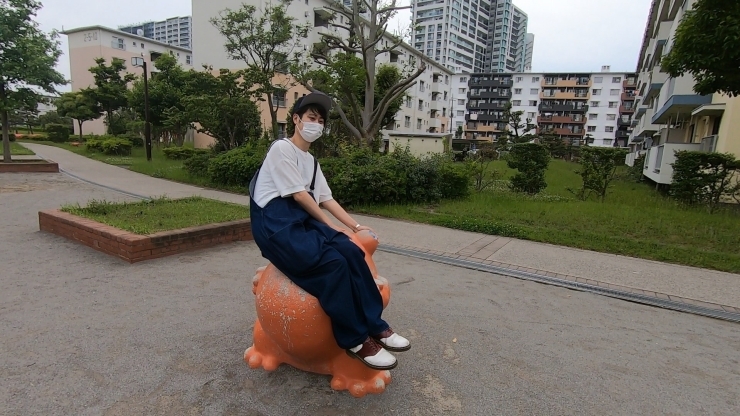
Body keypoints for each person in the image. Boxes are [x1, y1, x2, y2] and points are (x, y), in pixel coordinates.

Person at [248, 91, 410, 370]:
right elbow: (300, 196)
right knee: (333, 265)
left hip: (302, 222)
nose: (317, 124)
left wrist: (355, 226)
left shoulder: (312, 163)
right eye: (312, 117)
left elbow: (325, 199)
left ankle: (377, 326)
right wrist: (331, 226)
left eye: (321, 120)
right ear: (296, 119)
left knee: (351, 251)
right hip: (275, 227)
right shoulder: (281, 149)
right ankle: (356, 340)